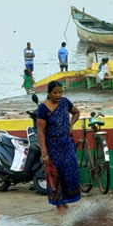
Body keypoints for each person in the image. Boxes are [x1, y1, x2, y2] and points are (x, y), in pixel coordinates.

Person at [35, 80, 82, 210]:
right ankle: (58, 204)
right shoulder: (43, 108)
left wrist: (70, 125)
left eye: (60, 92)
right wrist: (44, 153)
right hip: (52, 146)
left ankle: (66, 199)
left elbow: (76, 112)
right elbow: (40, 131)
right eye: (55, 93)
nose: (58, 95)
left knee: (70, 171)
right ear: (49, 93)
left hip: (66, 143)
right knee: (55, 175)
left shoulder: (65, 103)